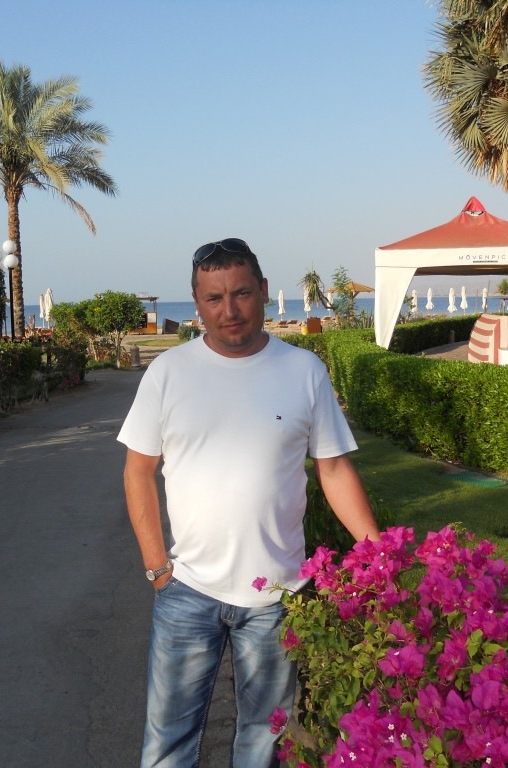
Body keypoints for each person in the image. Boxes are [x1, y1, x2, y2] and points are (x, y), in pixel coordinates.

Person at [117, 237, 380, 768]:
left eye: (241, 293)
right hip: (187, 589)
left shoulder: (304, 370)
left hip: (276, 596)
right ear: (197, 303)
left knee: (264, 741)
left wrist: (381, 555)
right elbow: (138, 470)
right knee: (167, 743)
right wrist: (157, 569)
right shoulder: (168, 373)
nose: (229, 310)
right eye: (214, 298)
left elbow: (332, 469)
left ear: (262, 290)